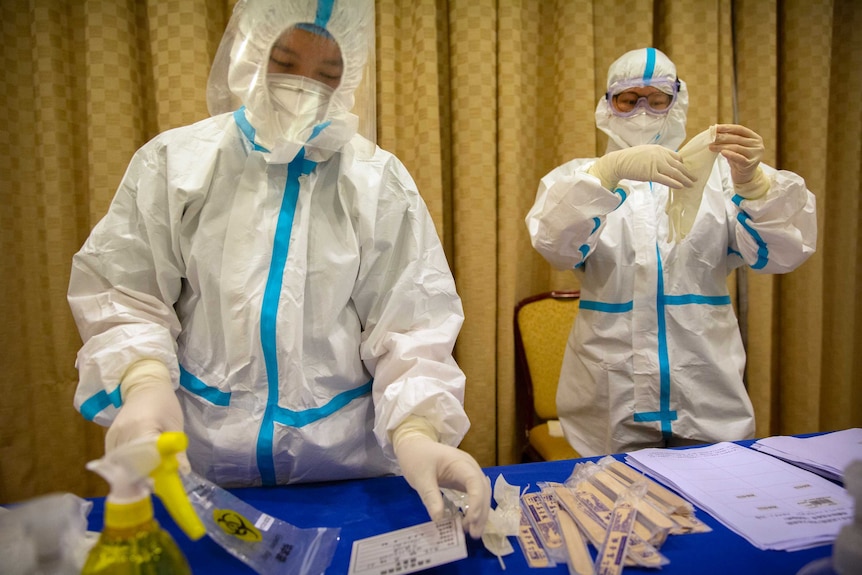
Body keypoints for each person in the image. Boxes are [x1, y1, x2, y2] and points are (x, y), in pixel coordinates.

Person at [68, 0, 489, 538]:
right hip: (201, 468)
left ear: (349, 80)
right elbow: (124, 292)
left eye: (327, 74)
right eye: (284, 64)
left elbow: (412, 325)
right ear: (248, 54)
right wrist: (145, 383)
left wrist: (417, 430)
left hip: (344, 473)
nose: (303, 87)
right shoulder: (176, 163)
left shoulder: (377, 181)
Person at [525, 47, 817, 457]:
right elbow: (554, 245)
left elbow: (785, 253)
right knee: (616, 507)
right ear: (607, 104)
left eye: (657, 98)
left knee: (717, 501)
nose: (643, 110)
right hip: (611, 390)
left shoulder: (721, 178)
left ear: (677, 100)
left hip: (705, 386)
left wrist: (755, 187)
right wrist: (607, 174)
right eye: (628, 99)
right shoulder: (579, 179)